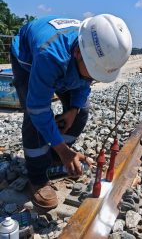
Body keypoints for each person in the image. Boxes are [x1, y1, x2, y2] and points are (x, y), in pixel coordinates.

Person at [10, 14, 132, 209]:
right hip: (28, 60)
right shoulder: (49, 55)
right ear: (77, 52)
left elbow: (84, 83)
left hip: (67, 63)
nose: (93, 78)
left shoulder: (91, 49)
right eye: (93, 72)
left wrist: (74, 109)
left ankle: (54, 158)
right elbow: (38, 108)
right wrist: (64, 149)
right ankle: (37, 178)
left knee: (82, 110)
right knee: (34, 119)